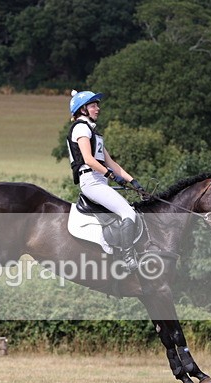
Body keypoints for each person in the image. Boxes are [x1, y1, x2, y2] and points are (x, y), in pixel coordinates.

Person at [66, 90, 146, 272]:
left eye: (97, 105)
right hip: (91, 181)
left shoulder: (94, 133)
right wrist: (110, 175)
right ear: (83, 109)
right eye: (93, 105)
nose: (98, 109)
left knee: (127, 212)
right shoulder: (81, 128)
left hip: (99, 181)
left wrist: (133, 181)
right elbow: (88, 159)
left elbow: (111, 163)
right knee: (128, 213)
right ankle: (127, 258)